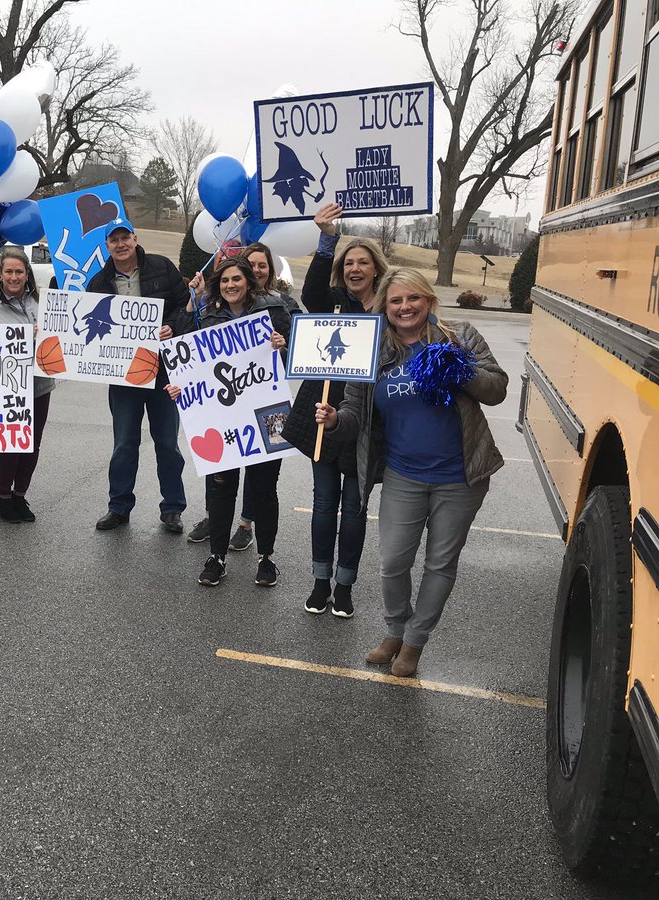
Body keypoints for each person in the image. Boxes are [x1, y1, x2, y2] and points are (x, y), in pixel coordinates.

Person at [314, 267, 507, 677]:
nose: (405, 307)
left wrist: (461, 369)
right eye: (396, 301)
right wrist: (333, 420)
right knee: (392, 562)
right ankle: (394, 630)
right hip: (403, 474)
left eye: (413, 298)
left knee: (439, 564)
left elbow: (497, 389)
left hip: (461, 476)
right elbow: (353, 412)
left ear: (428, 299)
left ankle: (415, 643)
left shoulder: (460, 335)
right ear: (385, 306)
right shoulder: (373, 348)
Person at [281, 202, 388, 618]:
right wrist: (327, 240)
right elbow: (309, 295)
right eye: (348, 263)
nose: (355, 269)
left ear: (375, 268)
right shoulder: (335, 301)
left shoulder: (388, 309)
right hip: (323, 414)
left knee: (355, 508)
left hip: (366, 421)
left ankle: (345, 585)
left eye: (363, 263)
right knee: (324, 503)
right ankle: (320, 581)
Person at [166, 257, 288, 586]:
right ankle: (217, 556)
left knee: (264, 490)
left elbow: (296, 359)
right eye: (224, 281)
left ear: (249, 281)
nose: (230, 285)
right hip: (222, 416)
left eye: (236, 279)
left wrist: (282, 347)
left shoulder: (274, 311)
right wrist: (180, 387)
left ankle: (266, 558)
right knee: (220, 489)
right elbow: (189, 364)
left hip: (267, 413)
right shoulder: (208, 316)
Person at [88, 217, 188, 534]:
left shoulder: (162, 267)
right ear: (107, 245)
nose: (120, 244)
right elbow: (86, 326)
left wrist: (173, 326)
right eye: (113, 239)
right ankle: (118, 507)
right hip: (124, 377)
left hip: (163, 373)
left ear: (135, 238)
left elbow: (185, 305)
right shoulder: (99, 282)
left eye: (124, 237)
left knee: (168, 445)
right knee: (124, 445)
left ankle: (172, 508)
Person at [0, 246, 54, 523]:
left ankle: (20, 496)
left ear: (27, 274)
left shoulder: (39, 303)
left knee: (33, 444)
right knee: (11, 444)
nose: (14, 277)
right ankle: (2, 498)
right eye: (9, 271)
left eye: (19, 271)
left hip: (40, 385)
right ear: (1, 274)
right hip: (9, 388)